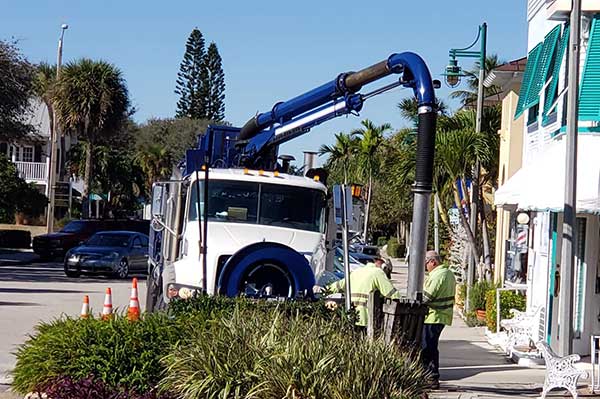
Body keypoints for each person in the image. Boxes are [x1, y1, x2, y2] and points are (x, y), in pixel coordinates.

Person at [323, 257, 400, 327]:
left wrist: (321, 291)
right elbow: (392, 294)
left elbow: (336, 286)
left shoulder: (356, 272)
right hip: (367, 318)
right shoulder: (378, 272)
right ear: (384, 267)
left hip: (351, 316)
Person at [421, 250, 456, 389]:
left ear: (433, 262)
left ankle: (431, 376)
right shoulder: (448, 273)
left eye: (426, 263)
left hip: (434, 316)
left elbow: (427, 297)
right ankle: (430, 376)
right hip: (441, 315)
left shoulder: (438, 275)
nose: (425, 267)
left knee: (427, 347)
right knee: (431, 346)